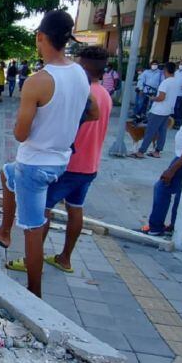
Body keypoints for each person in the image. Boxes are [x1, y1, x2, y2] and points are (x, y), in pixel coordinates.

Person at [0, 10, 97, 298]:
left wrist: (38, 120)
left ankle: (34, 294)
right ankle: (3, 232)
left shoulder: (37, 81)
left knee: (32, 229)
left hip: (34, 165)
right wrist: (63, 123)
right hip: (59, 162)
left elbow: (20, 134)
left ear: (40, 37)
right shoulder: (80, 73)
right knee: (6, 173)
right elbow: (94, 111)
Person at [38, 45, 114, 274]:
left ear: (84, 68)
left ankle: (32, 258)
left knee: (42, 209)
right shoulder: (105, 95)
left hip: (69, 165)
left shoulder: (82, 93)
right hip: (90, 165)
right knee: (75, 209)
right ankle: (65, 258)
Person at [142, 83, 182, 237]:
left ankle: (155, 227)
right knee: (181, 194)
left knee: (162, 188)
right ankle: (174, 226)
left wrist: (172, 169)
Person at [131, 62, 177, 159]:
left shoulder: (165, 82)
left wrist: (152, 98)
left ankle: (141, 151)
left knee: (150, 131)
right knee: (162, 131)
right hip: (167, 110)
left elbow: (161, 97)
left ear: (165, 70)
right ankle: (157, 151)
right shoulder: (176, 81)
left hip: (158, 111)